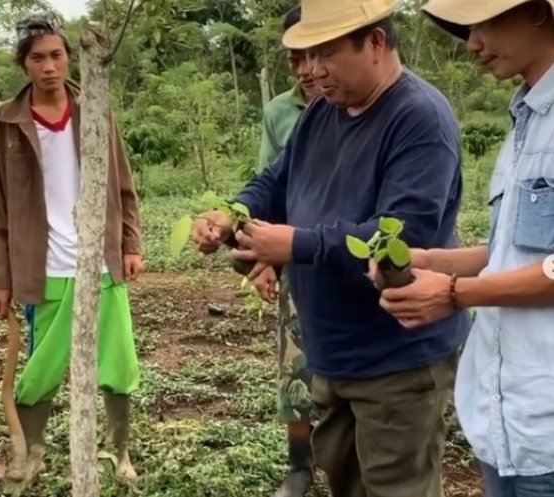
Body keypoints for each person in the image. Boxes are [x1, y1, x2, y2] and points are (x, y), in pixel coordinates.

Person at [189, 0, 471, 495]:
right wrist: (231, 215)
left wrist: (295, 244)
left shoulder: (419, 117)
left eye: (326, 54)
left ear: (377, 43)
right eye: (306, 55)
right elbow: (273, 183)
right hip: (332, 354)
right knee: (344, 478)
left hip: (396, 359)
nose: (313, 71)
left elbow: (404, 235)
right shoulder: (322, 112)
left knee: (396, 486)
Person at [376, 1, 554, 496]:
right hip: (508, 418)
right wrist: (433, 261)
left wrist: (456, 293)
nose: (472, 42)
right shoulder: (527, 117)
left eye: (485, 22)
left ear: (539, 13)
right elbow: (519, 249)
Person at [0, 12, 143, 484]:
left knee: (119, 363)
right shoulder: (5, 123)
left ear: (70, 58)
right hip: (43, 263)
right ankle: (31, 454)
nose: (49, 66)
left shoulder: (95, 109)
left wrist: (129, 242)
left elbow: (122, 182)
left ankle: (120, 452)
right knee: (41, 368)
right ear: (24, 64)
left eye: (56, 55)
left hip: (100, 259)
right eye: (37, 58)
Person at [255, 6, 321, 497]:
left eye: (312, 54)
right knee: (296, 371)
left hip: (349, 257)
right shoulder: (280, 112)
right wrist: (265, 258)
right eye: (294, 58)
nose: (304, 69)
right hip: (295, 258)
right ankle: (299, 467)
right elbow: (268, 188)